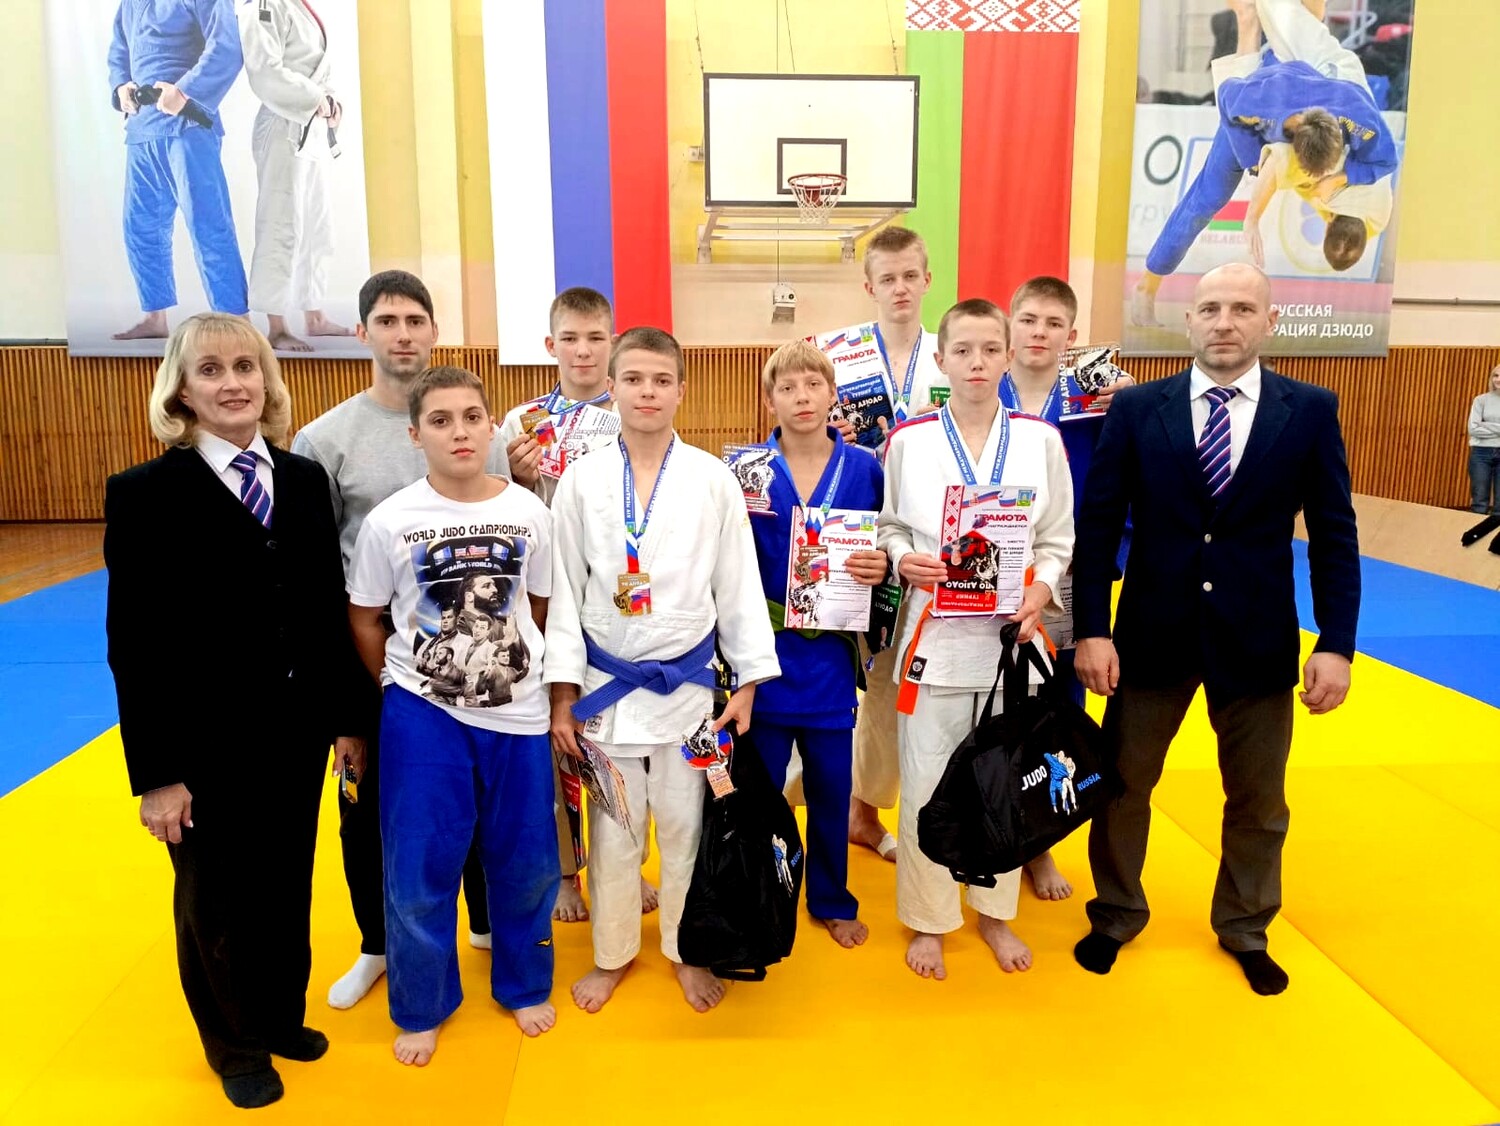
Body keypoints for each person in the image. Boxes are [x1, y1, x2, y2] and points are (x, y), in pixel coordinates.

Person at [1072, 263, 1361, 995]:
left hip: (1257, 637)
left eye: (1241, 308)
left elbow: (1334, 535)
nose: (1224, 322)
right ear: (1188, 320)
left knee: (1259, 800)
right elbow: (1098, 526)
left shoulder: (1309, 410)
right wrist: (1092, 629)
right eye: (1209, 308)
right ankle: (1115, 913)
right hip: (1149, 635)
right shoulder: (1139, 409)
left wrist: (1336, 642)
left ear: (1269, 320)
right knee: (1122, 787)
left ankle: (1245, 925)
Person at [103, 313, 364, 1108]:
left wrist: (348, 719)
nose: (233, 383)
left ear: (267, 379)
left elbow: (325, 609)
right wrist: (158, 775)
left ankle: (280, 1015)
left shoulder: (303, 479)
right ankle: (236, 1044)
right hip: (203, 742)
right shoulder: (145, 494)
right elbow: (134, 642)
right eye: (211, 370)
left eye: (246, 367)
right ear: (181, 390)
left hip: (295, 730)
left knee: (285, 882)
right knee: (216, 899)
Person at [545, 327, 780, 1013]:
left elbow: (737, 583)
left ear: (681, 389)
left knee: (686, 829)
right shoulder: (581, 480)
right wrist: (562, 698)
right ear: (611, 387)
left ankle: (685, 951)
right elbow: (564, 592)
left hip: (689, 693)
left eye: (661, 380)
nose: (647, 392)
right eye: (633, 379)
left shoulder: (713, 479)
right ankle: (613, 955)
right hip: (605, 691)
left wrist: (749, 681)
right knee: (613, 831)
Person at [292, 270, 510, 1009]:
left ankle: (484, 921)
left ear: (435, 331)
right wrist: (344, 701)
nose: (404, 334)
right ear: (362, 333)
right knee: (368, 807)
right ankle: (379, 943)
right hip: (368, 652)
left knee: (473, 788)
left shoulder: (476, 429)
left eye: (416, 320)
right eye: (387, 321)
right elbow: (317, 575)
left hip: (469, 645)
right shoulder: (325, 439)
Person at [347, 366, 559, 1064]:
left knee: (527, 860)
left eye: (471, 417)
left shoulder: (529, 512)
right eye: (440, 420)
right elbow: (365, 616)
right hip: (423, 713)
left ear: (492, 426)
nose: (459, 432)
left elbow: (538, 606)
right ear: (416, 435)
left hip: (518, 712)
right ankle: (423, 1003)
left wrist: (510, 668)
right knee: (419, 865)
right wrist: (400, 679)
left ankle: (524, 983)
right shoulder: (390, 520)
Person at [878, 299, 1075, 981]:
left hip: (1011, 641)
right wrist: (904, 559)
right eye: (962, 350)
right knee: (928, 782)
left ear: (1009, 355)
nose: (977, 363)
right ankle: (929, 919)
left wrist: (1041, 590)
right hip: (935, 638)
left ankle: (994, 912)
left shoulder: (1040, 440)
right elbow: (889, 528)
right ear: (941, 360)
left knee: (1004, 782)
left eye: (991, 349)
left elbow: (1058, 537)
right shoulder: (908, 441)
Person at [496, 286, 658, 924]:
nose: (584, 351)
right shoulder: (521, 421)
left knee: (629, 739)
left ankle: (629, 862)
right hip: (544, 599)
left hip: (621, 597)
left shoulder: (633, 410)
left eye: (595, 338)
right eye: (570, 338)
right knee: (555, 739)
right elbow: (497, 509)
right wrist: (516, 477)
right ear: (550, 345)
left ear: (612, 343)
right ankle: (566, 872)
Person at [811, 226, 948, 863]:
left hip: (922, 538)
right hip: (850, 532)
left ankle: (862, 808)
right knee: (839, 670)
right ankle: (820, 793)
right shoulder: (834, 355)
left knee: (895, 680)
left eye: (910, 276)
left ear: (927, 279)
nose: (900, 288)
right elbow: (793, 430)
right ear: (869, 286)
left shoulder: (949, 353)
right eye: (887, 278)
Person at [1131, 0, 1399, 326]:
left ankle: (1250, 18)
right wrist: (1251, 181)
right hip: (1257, 99)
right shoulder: (1262, 108)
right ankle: (1146, 288)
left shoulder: (1357, 119)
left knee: (1298, 19)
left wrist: (1340, 177)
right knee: (1208, 196)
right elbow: (1230, 105)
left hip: (1315, 76)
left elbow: (1387, 158)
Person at [745, 340, 888, 948]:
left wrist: (882, 565)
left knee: (831, 788)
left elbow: (890, 542)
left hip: (830, 653)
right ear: (770, 400)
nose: (801, 398)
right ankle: (757, 898)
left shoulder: (865, 469)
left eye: (813, 386)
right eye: (787, 388)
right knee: (760, 793)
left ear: (833, 394)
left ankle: (830, 897)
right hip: (764, 655)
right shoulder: (747, 471)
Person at [1000, 275, 1137, 901]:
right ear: (1010, 325)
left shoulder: (1097, 400)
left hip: (1070, 575)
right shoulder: (980, 389)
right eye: (1028, 319)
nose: (1039, 332)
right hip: (993, 576)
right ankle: (993, 825)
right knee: (994, 709)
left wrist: (1106, 562)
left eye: (1053, 323)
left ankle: (1041, 846)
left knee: (1060, 713)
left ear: (1072, 335)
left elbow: (1125, 488)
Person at [108, 0, 248, 340]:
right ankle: (155, 317)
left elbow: (226, 46)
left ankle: (237, 321)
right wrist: (120, 86)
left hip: (187, 127)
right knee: (140, 226)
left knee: (208, 224)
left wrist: (186, 92)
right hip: (142, 129)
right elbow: (120, 49)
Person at [238, 0, 352, 351]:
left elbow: (314, 66)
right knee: (281, 224)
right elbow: (264, 71)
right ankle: (276, 325)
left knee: (318, 226)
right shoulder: (262, 5)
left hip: (311, 125)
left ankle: (314, 313)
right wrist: (315, 98)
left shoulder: (297, 5)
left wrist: (330, 102)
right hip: (282, 124)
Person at [1466, 365, 1500, 514]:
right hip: (1481, 454)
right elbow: (1473, 429)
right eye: (1496, 375)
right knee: (1479, 501)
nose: (1498, 379)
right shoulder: (1481, 400)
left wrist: (1485, 424)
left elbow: (1479, 427)